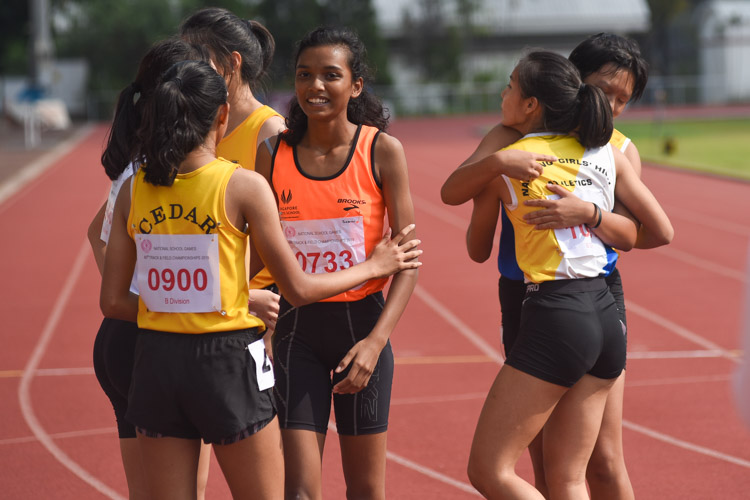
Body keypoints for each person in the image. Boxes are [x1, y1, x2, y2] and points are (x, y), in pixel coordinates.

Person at [99, 59, 421, 499]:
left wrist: (188, 303)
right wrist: (375, 266)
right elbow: (299, 290)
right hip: (225, 363)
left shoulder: (134, 190)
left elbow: (114, 302)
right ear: (221, 117)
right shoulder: (243, 185)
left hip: (155, 362)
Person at [442, 33, 655, 499]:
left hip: (591, 292)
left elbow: (639, 235)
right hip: (526, 295)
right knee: (546, 463)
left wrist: (590, 214)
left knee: (602, 459)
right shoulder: (509, 137)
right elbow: (462, 195)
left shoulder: (616, 150)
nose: (612, 106)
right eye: (604, 91)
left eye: (624, 98)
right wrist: (494, 168)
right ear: (573, 80)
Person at [253, 27, 418, 500]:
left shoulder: (382, 151)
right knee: (300, 493)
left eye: (331, 75)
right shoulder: (273, 154)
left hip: (361, 329)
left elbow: (407, 260)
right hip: (295, 333)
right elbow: (259, 252)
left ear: (356, 85)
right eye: (305, 75)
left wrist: (375, 343)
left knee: (365, 491)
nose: (315, 86)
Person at [87, 37, 211, 500]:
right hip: (155, 343)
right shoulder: (165, 176)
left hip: (121, 340)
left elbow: (93, 231)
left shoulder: (136, 170)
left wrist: (127, 299)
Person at [180, 7, 286, 331]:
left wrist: (237, 289)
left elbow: (277, 230)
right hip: (200, 290)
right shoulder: (197, 125)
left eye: (199, 57)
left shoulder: (270, 131)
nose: (188, 67)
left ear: (233, 63)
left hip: (254, 299)